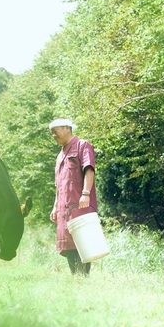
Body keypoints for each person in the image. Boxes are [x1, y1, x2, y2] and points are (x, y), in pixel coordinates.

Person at [49, 117, 98, 275]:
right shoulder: (60, 155)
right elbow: (59, 185)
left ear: (66, 128)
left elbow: (89, 170)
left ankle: (84, 276)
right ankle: (75, 277)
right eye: (52, 133)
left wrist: (85, 194)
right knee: (67, 244)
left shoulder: (83, 145)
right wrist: (55, 207)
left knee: (82, 242)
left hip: (80, 204)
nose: (53, 136)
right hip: (64, 209)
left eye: (55, 132)